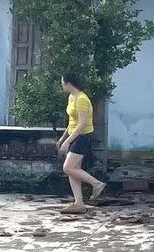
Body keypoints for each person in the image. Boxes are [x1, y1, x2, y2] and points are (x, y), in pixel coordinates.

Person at [57, 73, 106, 214]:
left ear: (69, 83)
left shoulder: (81, 99)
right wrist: (63, 137)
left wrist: (67, 141)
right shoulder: (71, 97)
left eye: (62, 82)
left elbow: (82, 123)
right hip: (75, 135)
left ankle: (97, 183)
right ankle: (79, 203)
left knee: (68, 168)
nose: (62, 85)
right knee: (74, 171)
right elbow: (72, 122)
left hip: (83, 137)